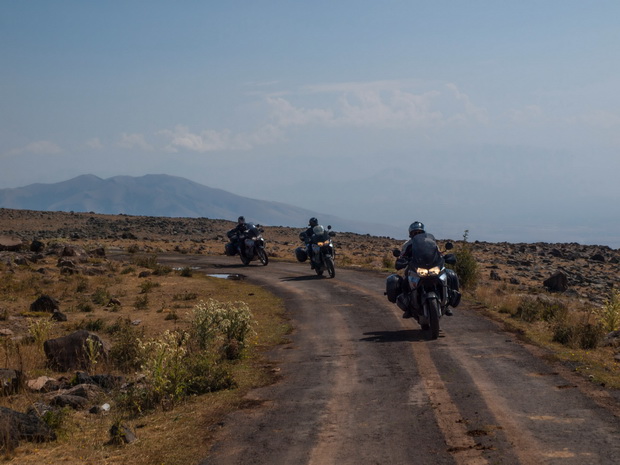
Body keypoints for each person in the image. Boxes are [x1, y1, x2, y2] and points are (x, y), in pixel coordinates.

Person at [396, 221, 453, 317]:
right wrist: (402, 260)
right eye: (415, 233)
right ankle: (409, 307)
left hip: (430, 266)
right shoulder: (408, 245)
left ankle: (447, 303)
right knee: (405, 282)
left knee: (449, 276)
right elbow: (402, 256)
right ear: (411, 234)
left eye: (419, 232)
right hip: (414, 268)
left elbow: (438, 253)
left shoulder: (430, 243)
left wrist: (443, 257)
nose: (417, 234)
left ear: (423, 233)